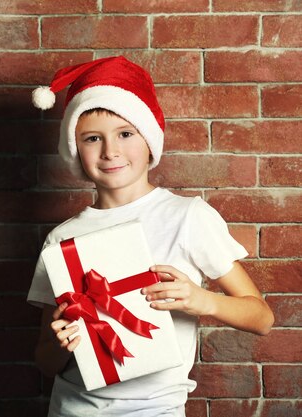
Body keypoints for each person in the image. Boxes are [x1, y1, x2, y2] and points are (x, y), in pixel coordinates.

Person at [27, 56, 274, 417]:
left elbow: (262, 318)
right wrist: (59, 341)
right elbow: (45, 362)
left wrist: (201, 300)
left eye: (125, 133)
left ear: (149, 140)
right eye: (93, 138)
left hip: (156, 411)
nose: (110, 151)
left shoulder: (188, 216)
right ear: (76, 149)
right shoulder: (62, 239)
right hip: (72, 409)